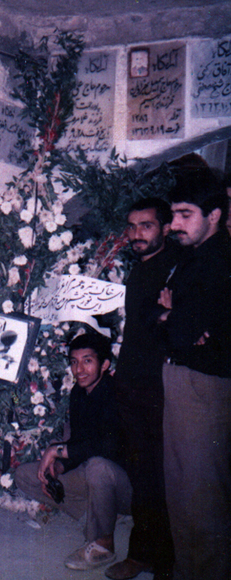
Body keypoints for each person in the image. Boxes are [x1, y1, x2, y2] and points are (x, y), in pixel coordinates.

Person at [158, 166, 231, 580]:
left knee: (202, 496)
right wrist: (172, 318)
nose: (174, 225)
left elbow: (181, 330)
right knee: (182, 489)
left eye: (185, 215)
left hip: (204, 385)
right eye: (173, 215)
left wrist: (173, 318)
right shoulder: (192, 256)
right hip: (182, 376)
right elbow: (163, 317)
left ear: (214, 215)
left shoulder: (218, 260)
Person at [15, 333, 132, 571]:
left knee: (97, 466)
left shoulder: (116, 393)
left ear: (104, 364)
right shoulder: (79, 393)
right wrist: (58, 467)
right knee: (26, 476)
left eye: (87, 361)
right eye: (74, 362)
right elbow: (79, 442)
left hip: (125, 486)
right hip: (92, 475)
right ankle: (103, 515)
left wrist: (57, 450)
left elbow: (108, 447)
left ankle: (103, 544)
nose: (79, 370)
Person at [106, 198, 178, 580]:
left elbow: (173, 324)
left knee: (161, 476)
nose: (136, 234)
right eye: (132, 226)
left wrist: (167, 315)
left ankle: (164, 561)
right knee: (141, 474)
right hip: (131, 385)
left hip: (158, 388)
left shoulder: (176, 267)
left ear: (165, 228)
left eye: (146, 226)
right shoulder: (140, 268)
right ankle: (142, 554)